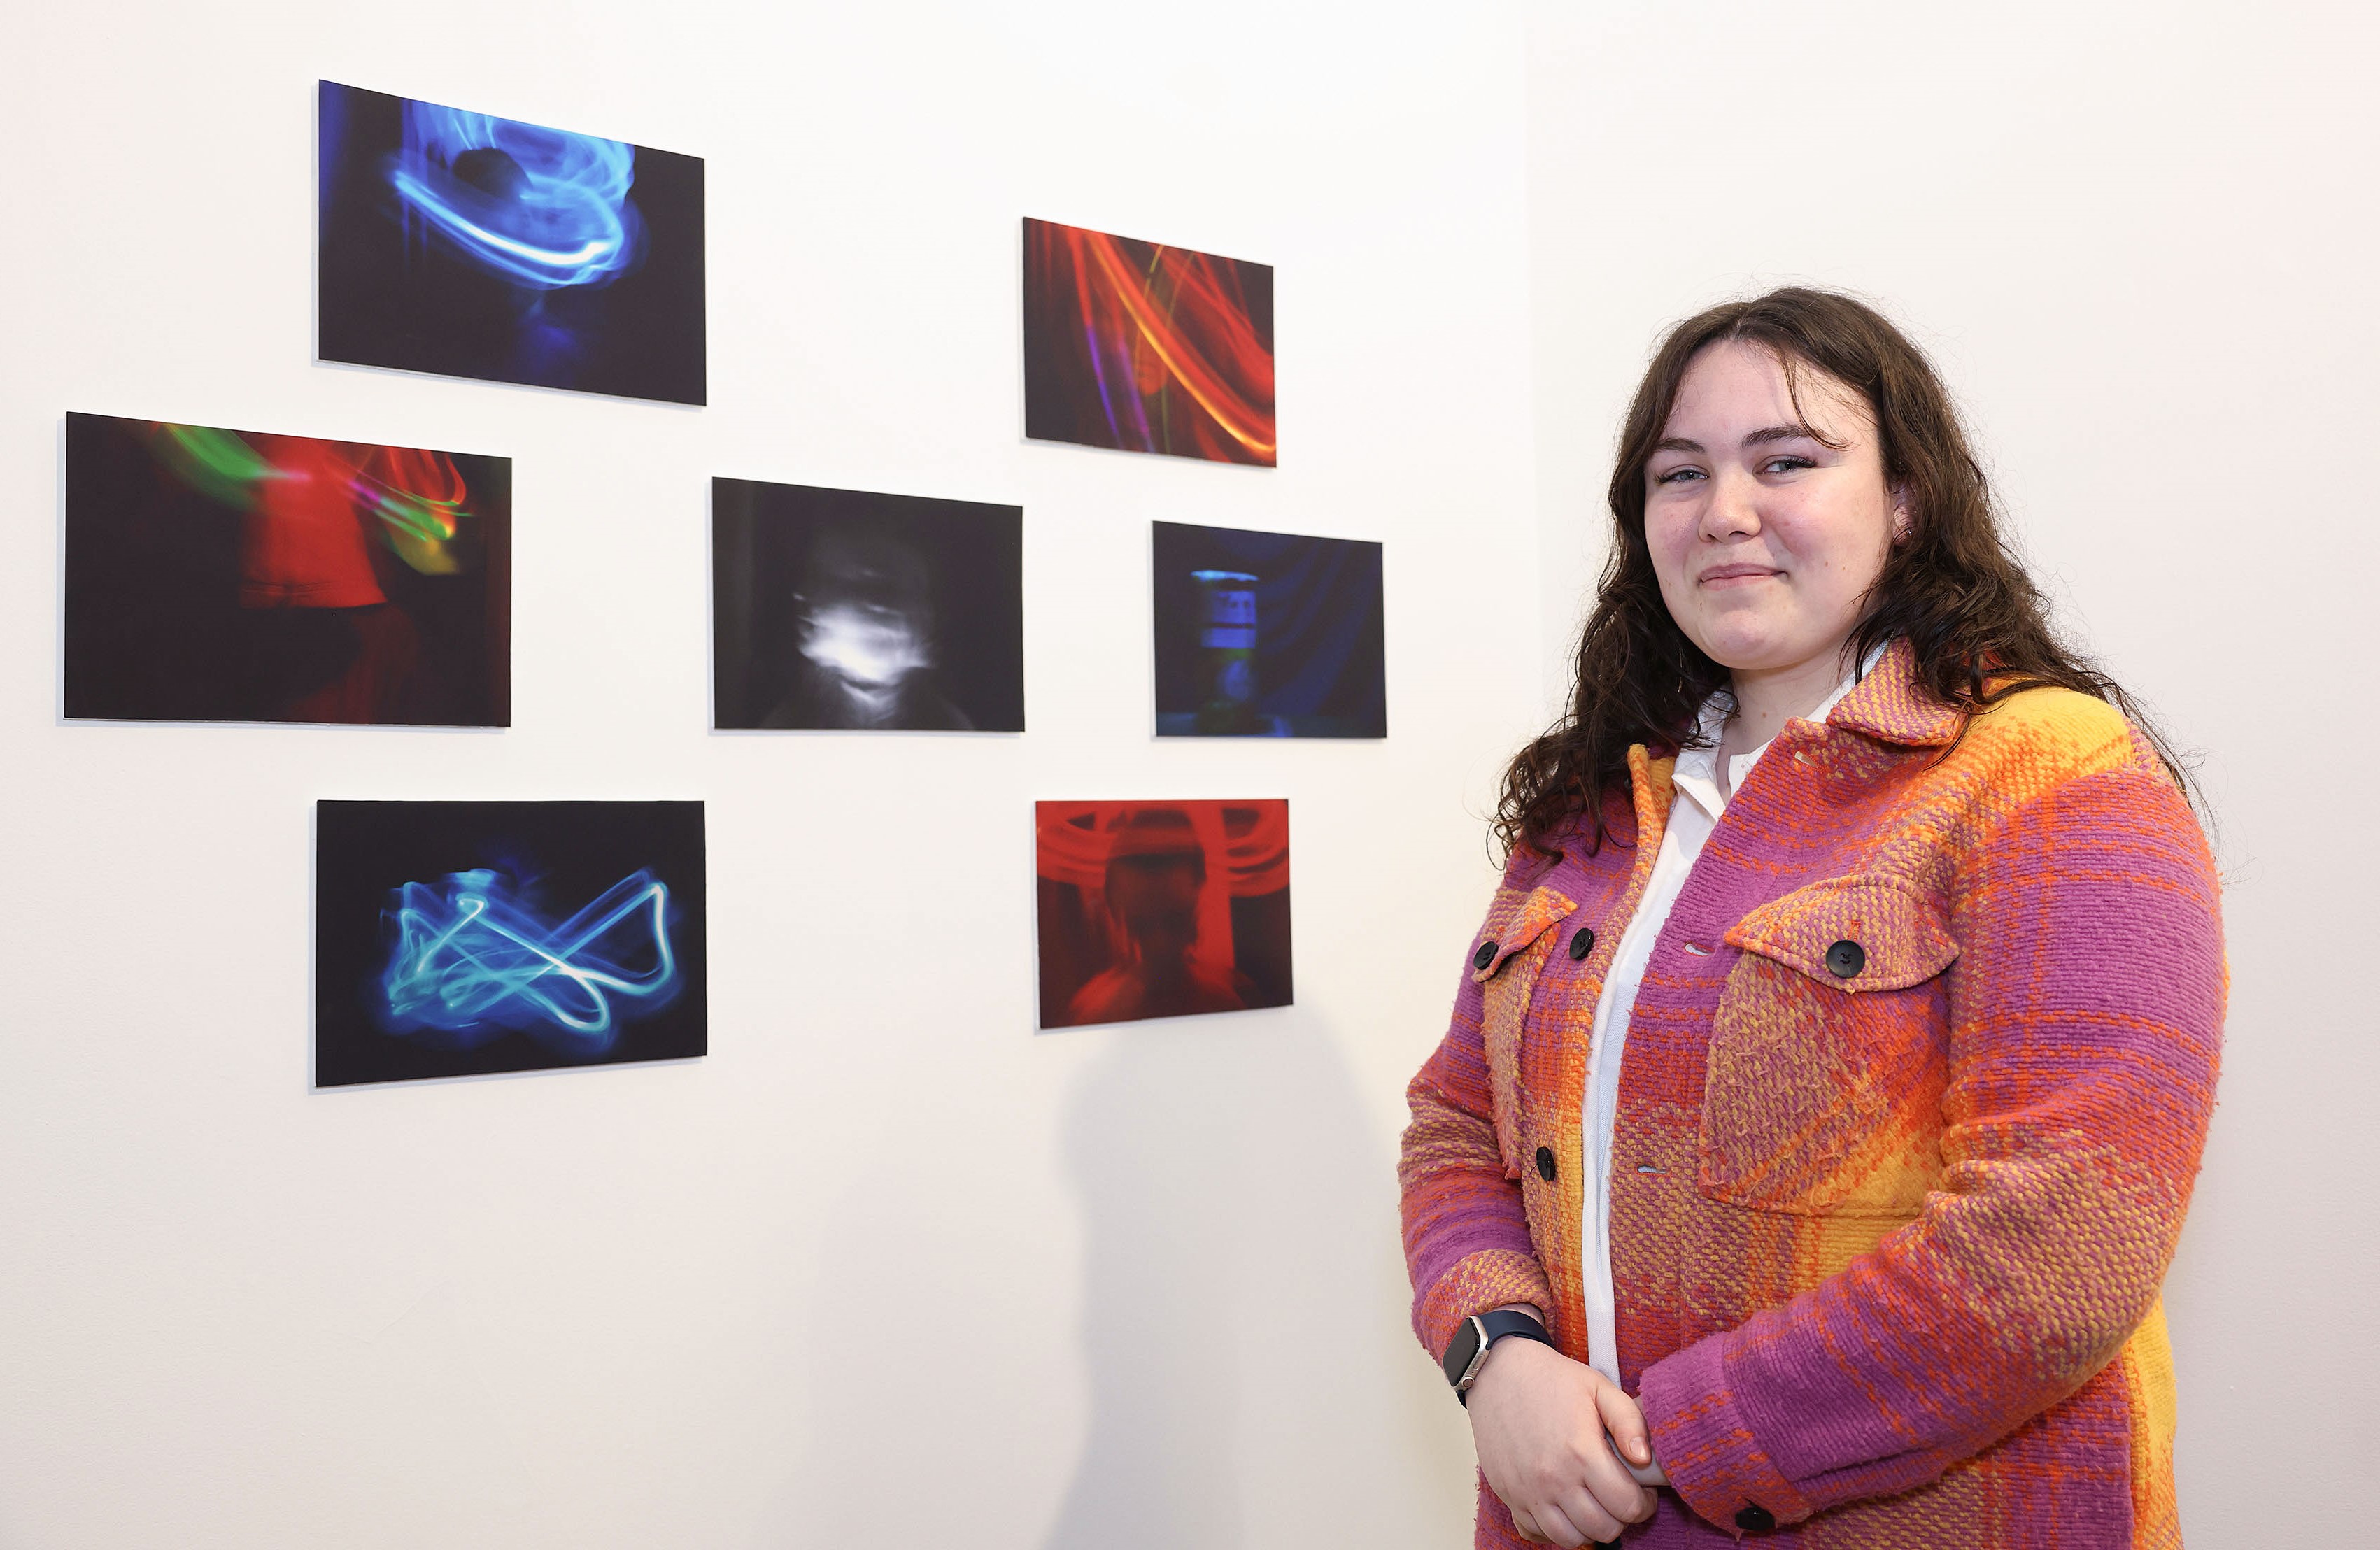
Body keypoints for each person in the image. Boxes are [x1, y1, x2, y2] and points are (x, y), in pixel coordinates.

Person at [1398, 288, 2222, 1548]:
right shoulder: (1591, 804)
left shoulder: (2047, 772)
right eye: (1680, 475)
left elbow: (2063, 1243)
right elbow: (1456, 1127)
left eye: (1786, 460)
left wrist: (1665, 1443)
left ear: (1904, 501)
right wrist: (1494, 1357)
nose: (1725, 510)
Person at [1065, 809, 1254, 1025]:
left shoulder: (1229, 997)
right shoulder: (1095, 1010)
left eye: (1172, 921)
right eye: (1144, 924)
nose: (1159, 942)